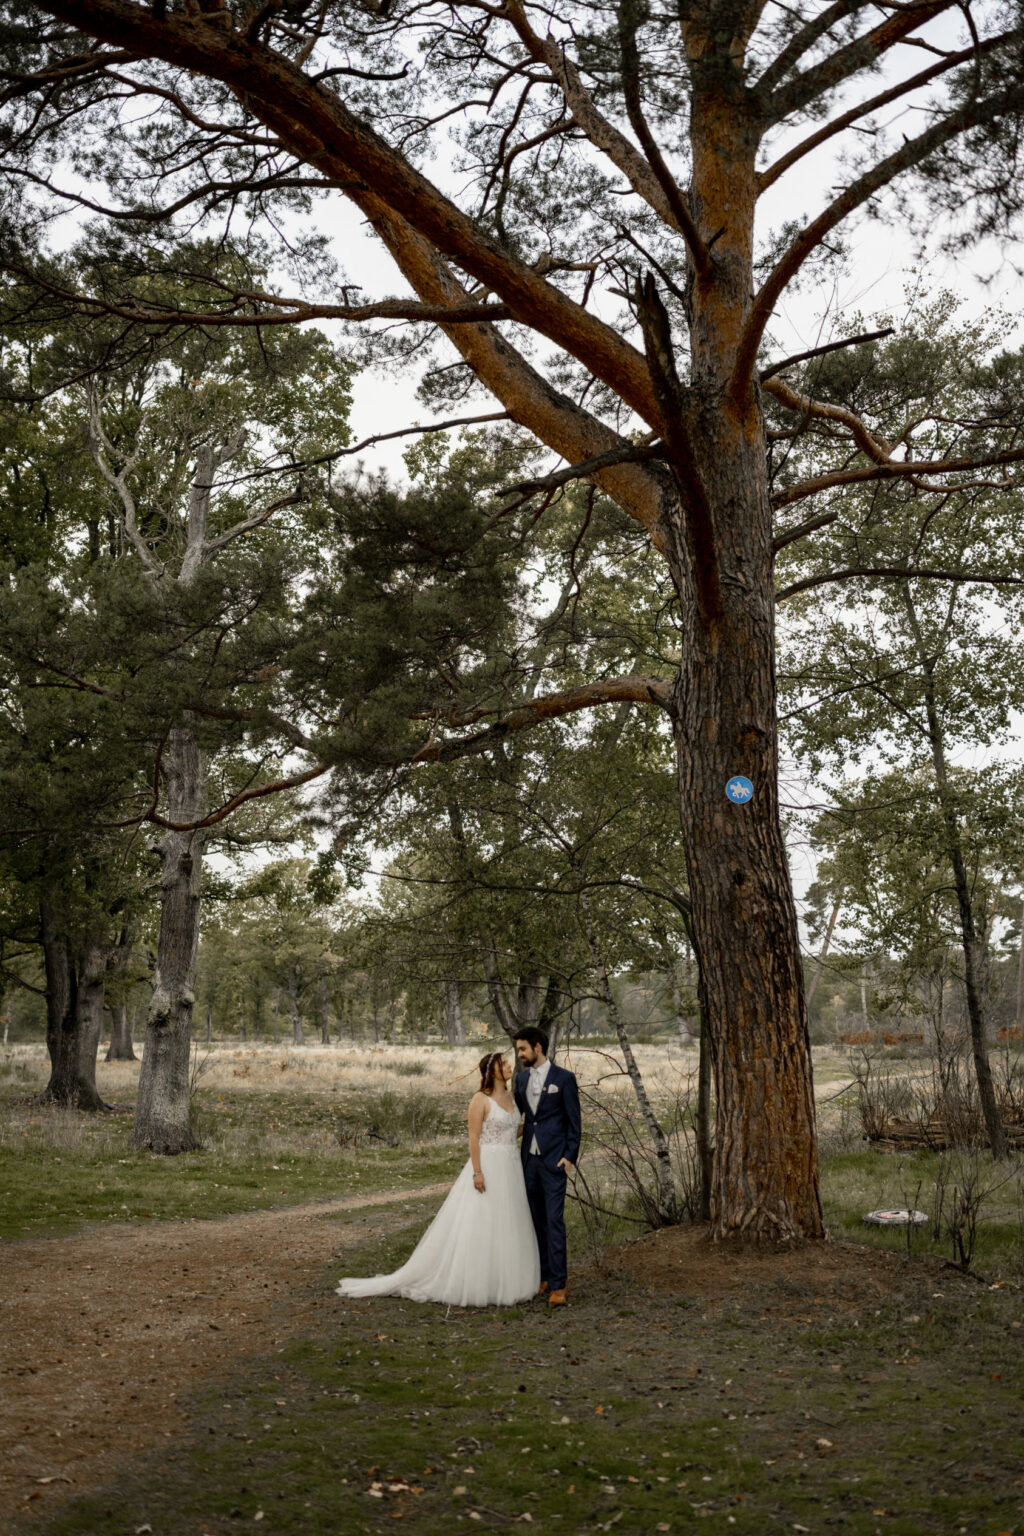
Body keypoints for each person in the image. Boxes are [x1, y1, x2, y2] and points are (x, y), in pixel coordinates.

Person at [336, 1051, 540, 1307]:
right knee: (484, 1219)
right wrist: (477, 1172)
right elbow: (474, 1138)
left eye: (509, 1062)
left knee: (508, 1219)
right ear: (492, 1070)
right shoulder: (480, 1099)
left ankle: (507, 1279)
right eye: (504, 1063)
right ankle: (476, 1280)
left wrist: (535, 1126)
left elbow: (512, 1129)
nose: (510, 1066)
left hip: (511, 1166)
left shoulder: (512, 1097)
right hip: (489, 1165)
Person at [513, 1027, 582, 1308]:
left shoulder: (564, 1079)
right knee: (535, 1221)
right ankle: (542, 1276)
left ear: (537, 1047)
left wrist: (569, 1156)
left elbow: (574, 1122)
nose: (519, 1055)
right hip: (528, 1161)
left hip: (554, 1161)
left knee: (554, 1222)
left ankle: (558, 1285)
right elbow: (524, 1117)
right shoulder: (520, 1080)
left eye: (522, 1050)